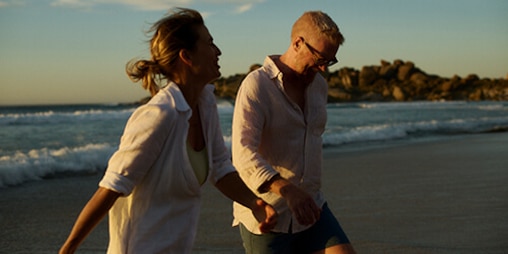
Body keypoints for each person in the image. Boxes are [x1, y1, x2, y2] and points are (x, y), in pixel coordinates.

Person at [59, 8, 277, 254]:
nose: (218, 51)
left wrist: (254, 203)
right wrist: (69, 248)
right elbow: (112, 187)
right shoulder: (159, 115)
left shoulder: (205, 103)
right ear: (187, 56)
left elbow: (220, 168)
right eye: (210, 43)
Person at [231, 11, 356, 254]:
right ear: (298, 43)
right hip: (267, 215)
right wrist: (287, 190)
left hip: (311, 207)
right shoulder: (256, 85)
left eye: (329, 62)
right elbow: (243, 153)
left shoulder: (319, 85)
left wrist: (302, 194)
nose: (323, 69)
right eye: (320, 59)